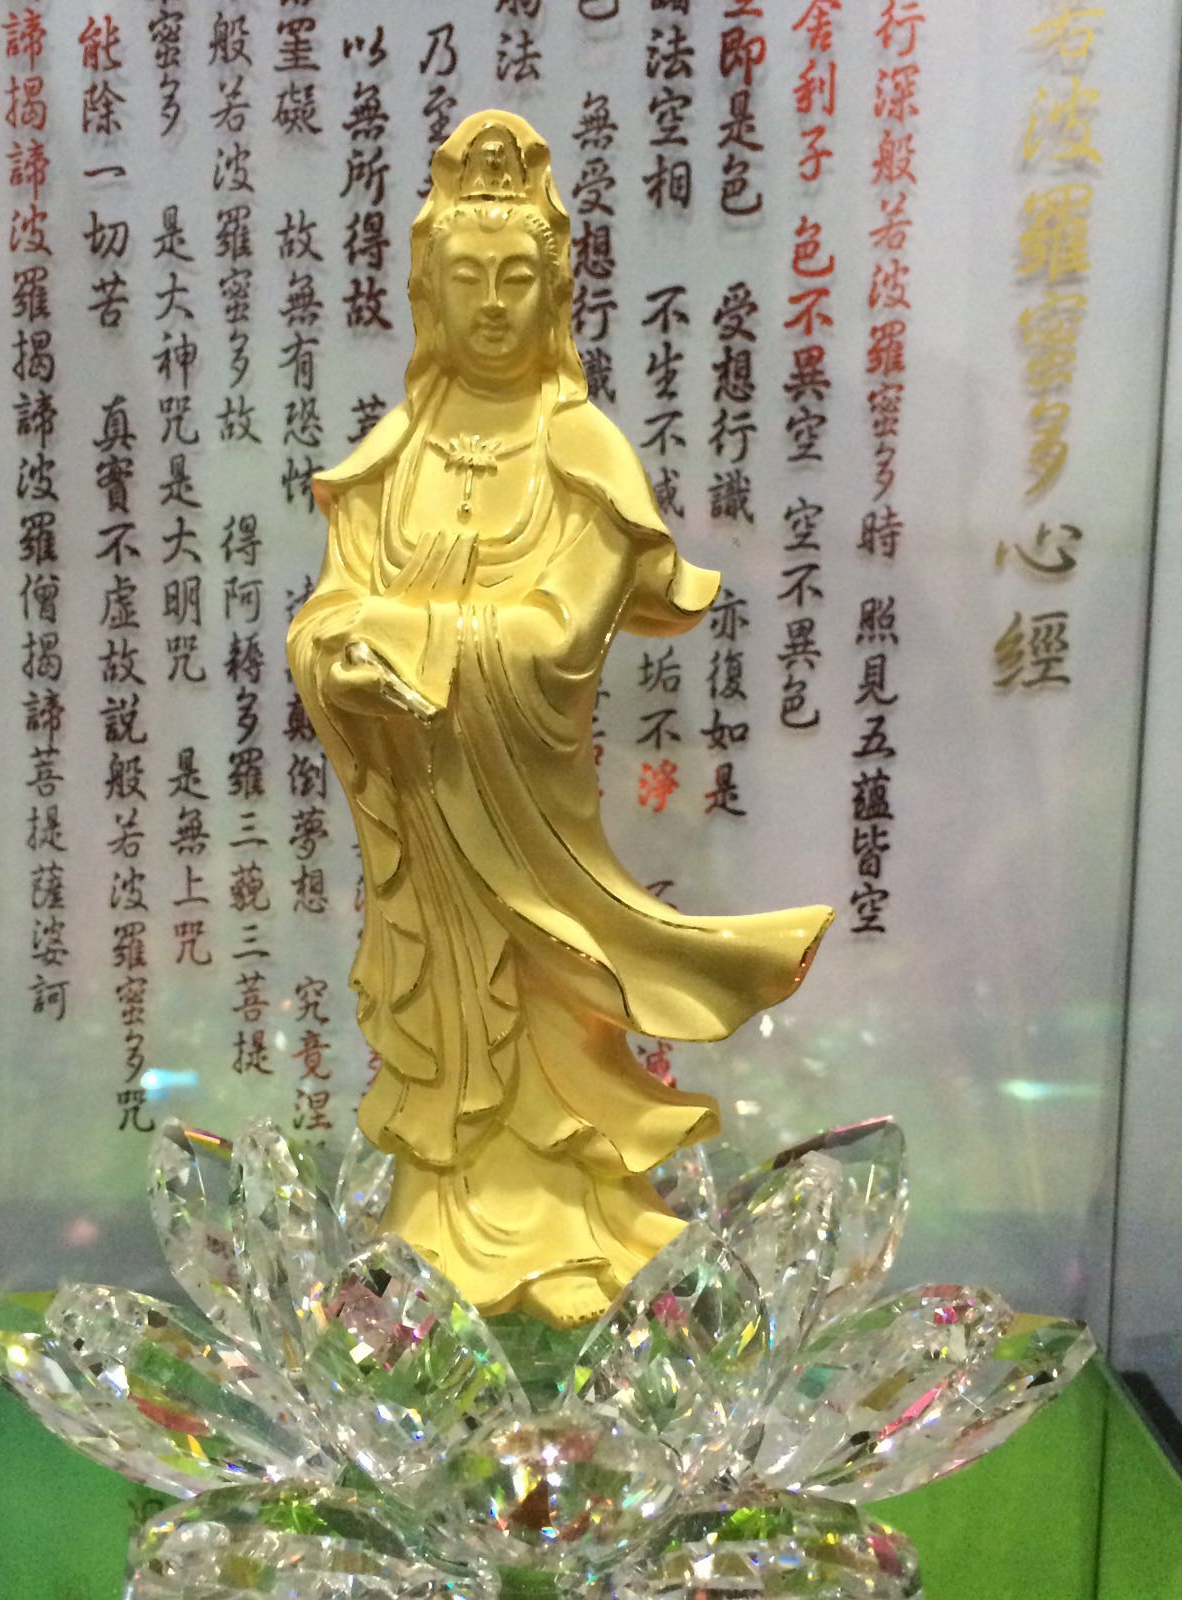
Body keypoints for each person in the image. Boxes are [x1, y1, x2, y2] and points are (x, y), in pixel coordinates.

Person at [287, 110, 832, 1328]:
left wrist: (403, 635)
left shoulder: (579, 448)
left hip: (518, 809)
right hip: (425, 821)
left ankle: (574, 1224)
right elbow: (324, 613)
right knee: (441, 1025)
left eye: (515, 278)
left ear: (555, 292)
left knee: (549, 1001)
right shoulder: (393, 455)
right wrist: (340, 655)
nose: (491, 304)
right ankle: (440, 1221)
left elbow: (555, 638)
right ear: (426, 291)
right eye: (466, 277)